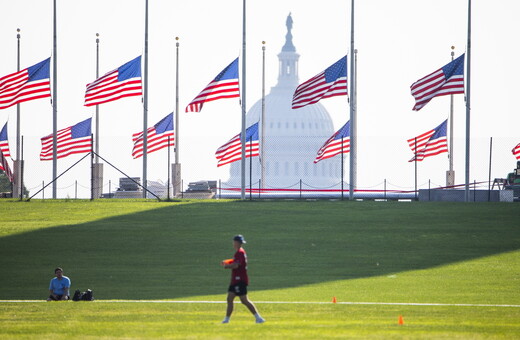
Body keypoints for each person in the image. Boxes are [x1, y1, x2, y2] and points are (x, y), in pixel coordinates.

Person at [221, 234, 265, 324]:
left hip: (239, 280)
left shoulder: (240, 253)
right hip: (235, 281)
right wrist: (227, 261)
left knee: (244, 300)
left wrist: (226, 266)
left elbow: (236, 265)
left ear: (236, 243)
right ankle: (226, 319)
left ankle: (258, 318)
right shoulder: (239, 253)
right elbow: (235, 261)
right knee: (230, 299)